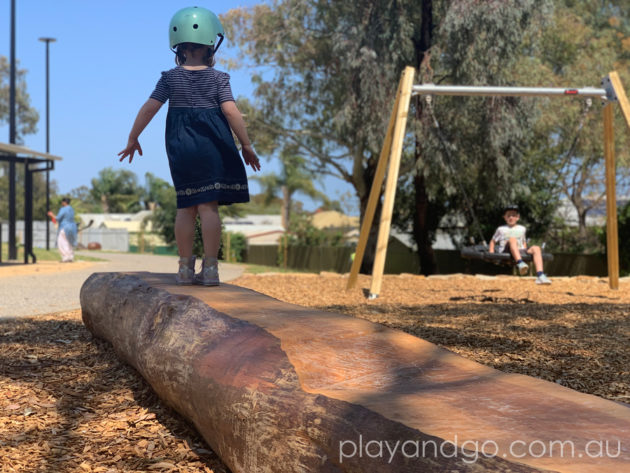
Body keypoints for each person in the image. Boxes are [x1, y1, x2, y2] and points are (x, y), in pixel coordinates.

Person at [118, 6, 261, 286]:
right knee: (209, 207)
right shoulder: (219, 79)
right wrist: (245, 144)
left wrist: (133, 137)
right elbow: (231, 111)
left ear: (178, 46)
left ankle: (184, 270)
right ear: (211, 45)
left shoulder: (169, 78)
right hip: (213, 147)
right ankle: (210, 270)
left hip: (181, 148)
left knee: (186, 206)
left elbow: (149, 108)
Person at [488, 205, 551, 285]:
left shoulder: (522, 228)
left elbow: (523, 241)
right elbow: (493, 241)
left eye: (513, 215)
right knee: (512, 239)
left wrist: (525, 251)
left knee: (536, 248)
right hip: (507, 250)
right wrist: (491, 253)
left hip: (520, 250)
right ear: (504, 217)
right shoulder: (501, 229)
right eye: (508, 216)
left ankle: (540, 275)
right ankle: (520, 263)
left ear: (518, 217)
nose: (511, 217)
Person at [47, 197, 78, 263]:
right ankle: (70, 257)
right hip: (72, 227)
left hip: (65, 227)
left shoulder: (63, 209)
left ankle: (65, 257)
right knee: (69, 242)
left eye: (62, 202)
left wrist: (51, 215)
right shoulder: (71, 209)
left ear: (64, 202)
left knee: (62, 242)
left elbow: (58, 218)